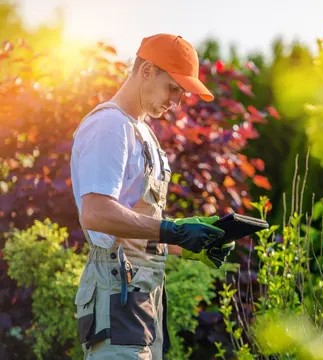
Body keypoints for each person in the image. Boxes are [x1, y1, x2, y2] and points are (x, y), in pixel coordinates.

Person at [70, 33, 235, 359]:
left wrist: (189, 244)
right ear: (146, 70)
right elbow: (96, 213)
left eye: (182, 92)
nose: (176, 100)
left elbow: (140, 228)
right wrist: (172, 229)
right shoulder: (109, 126)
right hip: (115, 294)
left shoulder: (142, 132)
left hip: (143, 298)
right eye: (173, 87)